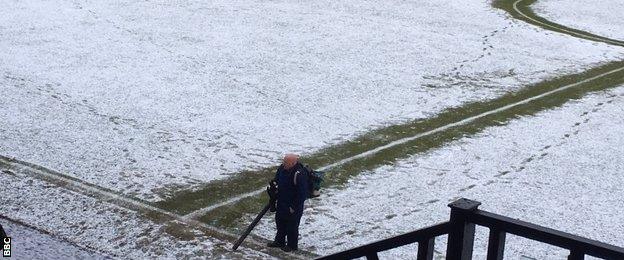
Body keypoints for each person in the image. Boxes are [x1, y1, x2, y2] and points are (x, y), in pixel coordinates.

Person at [267, 154, 308, 252]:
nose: (283, 164)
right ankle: (279, 241)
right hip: (282, 202)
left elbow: (302, 193)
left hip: (293, 205)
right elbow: (277, 179)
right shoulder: (282, 168)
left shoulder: (299, 174)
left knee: (292, 226)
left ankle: (292, 245)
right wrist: (274, 184)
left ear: (293, 163)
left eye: (286, 162)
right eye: (284, 161)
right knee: (280, 223)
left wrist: (293, 207)